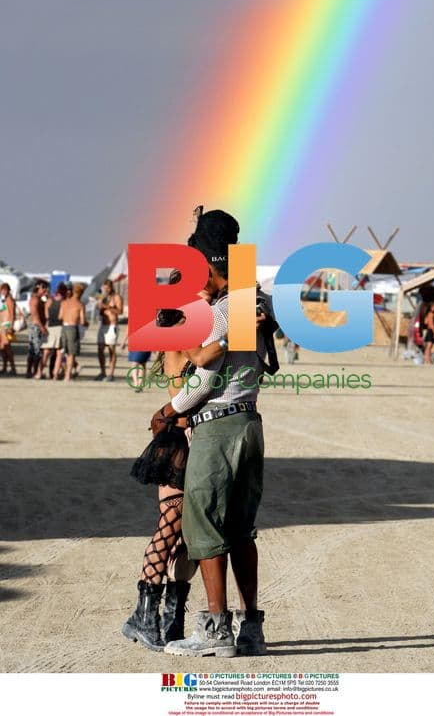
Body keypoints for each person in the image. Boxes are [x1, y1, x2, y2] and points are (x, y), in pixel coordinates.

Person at [161, 209, 273, 658]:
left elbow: (205, 379)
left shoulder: (225, 311)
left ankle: (216, 631)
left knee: (205, 527)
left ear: (210, 265)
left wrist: (168, 410)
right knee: (242, 531)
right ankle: (251, 628)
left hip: (218, 426)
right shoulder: (255, 302)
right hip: (251, 423)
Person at [122, 279, 231, 652]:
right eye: (200, 296)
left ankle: (172, 619)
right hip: (178, 441)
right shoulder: (182, 331)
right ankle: (142, 615)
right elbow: (202, 364)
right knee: (170, 528)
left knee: (186, 538)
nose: (207, 300)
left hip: (192, 438)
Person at [95, 279, 123, 382]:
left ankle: (111, 374)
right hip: (103, 325)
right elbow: (100, 310)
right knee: (100, 349)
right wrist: (100, 307)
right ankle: (102, 372)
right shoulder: (103, 297)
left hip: (112, 326)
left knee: (111, 349)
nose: (106, 290)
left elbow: (120, 311)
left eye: (107, 288)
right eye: (104, 288)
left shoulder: (117, 297)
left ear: (111, 287)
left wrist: (107, 306)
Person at [39, 282, 67, 380]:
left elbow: (46, 316)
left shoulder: (49, 300)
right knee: (59, 353)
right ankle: (55, 375)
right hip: (60, 327)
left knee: (46, 352)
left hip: (50, 327)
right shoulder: (64, 301)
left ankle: (39, 373)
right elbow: (63, 316)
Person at [59, 283, 87, 382]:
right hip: (73, 328)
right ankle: (68, 376)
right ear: (80, 293)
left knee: (64, 352)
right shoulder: (80, 304)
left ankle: (64, 373)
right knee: (72, 354)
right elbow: (83, 321)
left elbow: (60, 317)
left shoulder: (64, 303)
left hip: (64, 327)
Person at [26, 281, 49, 378]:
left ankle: (30, 372)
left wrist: (46, 298)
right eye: (43, 288)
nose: (45, 290)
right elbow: (35, 315)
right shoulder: (35, 299)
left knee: (33, 351)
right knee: (36, 351)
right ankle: (34, 372)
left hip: (35, 326)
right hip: (36, 327)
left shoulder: (38, 299)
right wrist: (42, 327)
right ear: (38, 288)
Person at [0, 282, 17, 376]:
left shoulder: (9, 299)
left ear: (7, 290)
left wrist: (10, 326)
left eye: (3, 290)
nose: (2, 292)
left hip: (6, 326)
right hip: (3, 325)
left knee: (7, 348)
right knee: (3, 348)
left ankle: (13, 368)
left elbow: (12, 314)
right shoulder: (4, 299)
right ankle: (5, 367)